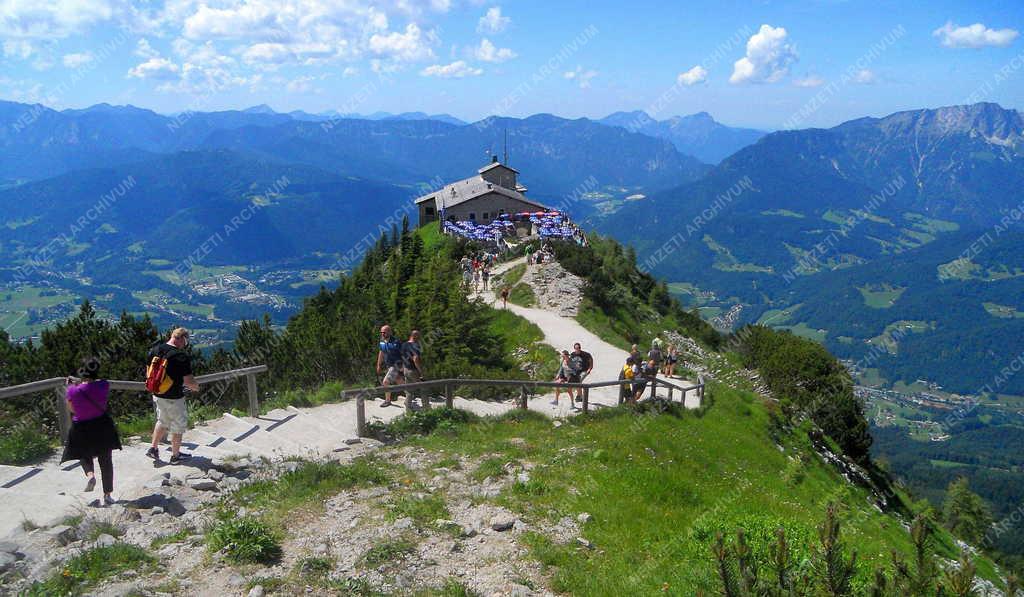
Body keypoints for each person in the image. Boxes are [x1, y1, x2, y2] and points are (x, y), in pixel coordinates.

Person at [61, 357, 121, 505]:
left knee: (83, 453)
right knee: (106, 460)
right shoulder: (103, 385)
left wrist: (74, 384)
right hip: (101, 424)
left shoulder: (72, 390)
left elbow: (71, 409)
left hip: (81, 426)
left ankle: (90, 474)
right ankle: (107, 495)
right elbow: (96, 384)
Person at [146, 328, 198, 464]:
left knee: (162, 420)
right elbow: (188, 381)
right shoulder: (180, 356)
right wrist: (196, 387)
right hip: (174, 396)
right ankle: (175, 456)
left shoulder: (155, 349)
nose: (185, 345)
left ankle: (153, 448)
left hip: (157, 393)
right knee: (178, 425)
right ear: (181, 338)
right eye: (186, 342)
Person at [377, 325, 404, 407]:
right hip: (389, 366)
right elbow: (381, 353)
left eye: (384, 332)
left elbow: (403, 353)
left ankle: (387, 401)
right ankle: (410, 393)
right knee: (399, 381)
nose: (382, 334)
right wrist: (378, 365)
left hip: (396, 365)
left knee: (385, 382)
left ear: (389, 332)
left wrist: (403, 365)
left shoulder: (396, 342)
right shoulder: (382, 341)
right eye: (381, 332)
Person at [401, 330, 425, 409]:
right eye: (418, 336)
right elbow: (415, 359)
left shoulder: (404, 344)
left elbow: (403, 357)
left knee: (409, 390)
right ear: (414, 336)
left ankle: (408, 408)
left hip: (406, 369)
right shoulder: (416, 345)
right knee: (423, 388)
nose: (419, 337)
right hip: (413, 370)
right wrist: (421, 372)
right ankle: (426, 407)